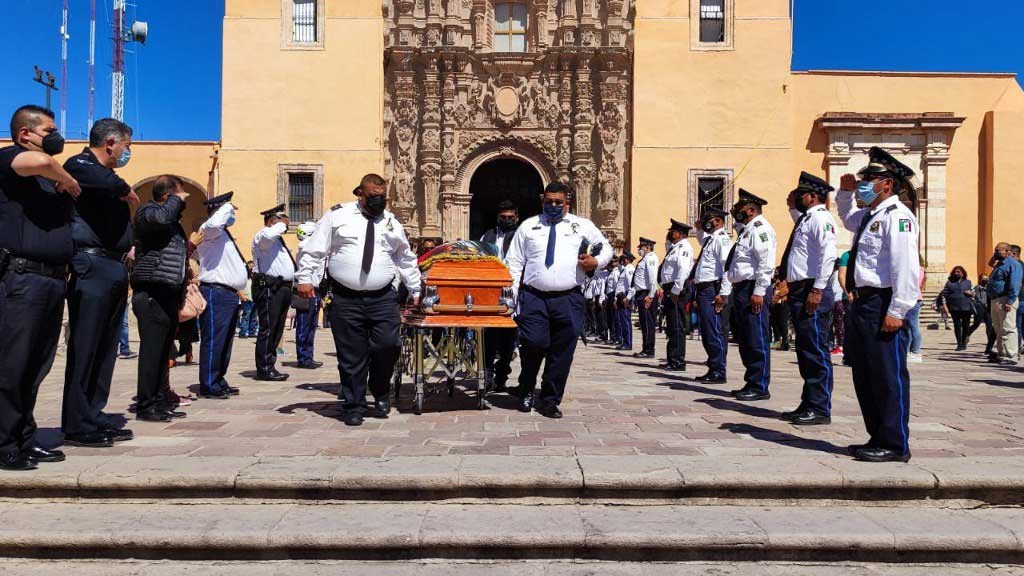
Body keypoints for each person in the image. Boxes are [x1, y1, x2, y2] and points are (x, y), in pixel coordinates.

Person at [296, 174, 421, 427]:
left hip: (383, 297)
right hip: (346, 297)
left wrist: (415, 288)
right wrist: (304, 278)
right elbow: (315, 248)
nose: (379, 201)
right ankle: (354, 404)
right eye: (374, 196)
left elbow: (404, 257)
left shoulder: (391, 222)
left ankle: (380, 388)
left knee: (388, 345)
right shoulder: (337, 216)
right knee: (352, 354)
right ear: (360, 194)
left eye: (382, 197)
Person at [0, 105, 81, 470]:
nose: (55, 135)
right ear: (25, 135)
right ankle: (4, 444)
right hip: (21, 278)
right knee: (12, 365)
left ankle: (24, 437)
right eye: (48, 129)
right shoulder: (11, 159)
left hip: (51, 279)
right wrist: (65, 177)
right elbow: (45, 164)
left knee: (36, 365)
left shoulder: (49, 177)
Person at [838, 146, 920, 463]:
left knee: (888, 374)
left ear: (887, 183)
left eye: (870, 178)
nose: (864, 183)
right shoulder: (871, 215)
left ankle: (896, 443)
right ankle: (877, 436)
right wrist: (845, 193)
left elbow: (905, 267)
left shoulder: (899, 218)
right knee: (866, 373)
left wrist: (898, 310)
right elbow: (847, 218)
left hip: (884, 302)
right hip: (864, 302)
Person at [60, 118, 139, 447]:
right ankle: (77, 422)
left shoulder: (104, 176)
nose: (127, 152)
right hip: (92, 264)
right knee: (87, 344)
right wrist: (126, 191)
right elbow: (102, 180)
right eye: (126, 146)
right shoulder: (80, 164)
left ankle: (93, 412)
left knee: (106, 348)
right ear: (110, 142)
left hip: (114, 265)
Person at [504, 182, 611, 418]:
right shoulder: (528, 226)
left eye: (558, 202)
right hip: (534, 296)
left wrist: (596, 262)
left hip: (568, 297)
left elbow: (606, 249)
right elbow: (514, 263)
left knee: (562, 351)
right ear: (542, 202)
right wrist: (511, 296)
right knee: (534, 343)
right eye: (549, 201)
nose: (553, 206)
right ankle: (526, 388)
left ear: (567, 203)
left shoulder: (582, 226)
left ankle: (550, 399)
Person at [130, 175, 191, 422]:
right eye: (180, 195)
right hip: (151, 292)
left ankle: (159, 400)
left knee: (163, 352)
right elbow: (161, 218)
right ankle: (146, 405)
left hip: (167, 292)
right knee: (152, 352)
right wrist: (176, 200)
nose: (184, 200)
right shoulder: (148, 211)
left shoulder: (170, 221)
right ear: (167, 196)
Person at [778, 171, 837, 425]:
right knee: (805, 349)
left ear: (812, 196)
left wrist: (818, 289)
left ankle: (820, 407)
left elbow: (828, 255)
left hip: (812, 289)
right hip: (801, 289)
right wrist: (792, 206)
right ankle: (809, 401)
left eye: (801, 195)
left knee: (815, 349)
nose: (797, 198)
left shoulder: (821, 218)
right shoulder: (806, 218)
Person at [719, 189, 777, 402]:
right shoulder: (747, 230)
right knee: (745, 337)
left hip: (753, 288)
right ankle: (751, 380)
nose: (735, 212)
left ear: (751, 210)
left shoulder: (760, 229)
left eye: (739, 209)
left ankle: (760, 384)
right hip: (742, 288)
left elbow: (766, 262)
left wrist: (759, 292)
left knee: (756, 337)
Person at [195, 192, 246, 399]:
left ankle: (218, 378)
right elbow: (212, 224)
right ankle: (208, 383)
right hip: (215, 291)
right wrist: (226, 206)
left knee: (225, 341)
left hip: (228, 293)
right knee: (215, 339)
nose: (232, 215)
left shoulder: (222, 233)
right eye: (230, 212)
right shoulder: (210, 230)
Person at [251, 204, 296, 381]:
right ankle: (263, 367)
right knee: (268, 328)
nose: (286, 224)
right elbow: (269, 234)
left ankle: (270, 363)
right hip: (269, 287)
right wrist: (280, 224)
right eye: (282, 220)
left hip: (282, 288)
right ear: (272, 221)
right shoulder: (263, 236)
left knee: (277, 329)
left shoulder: (277, 241)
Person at [479, 201, 519, 391]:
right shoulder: (487, 236)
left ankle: (502, 371)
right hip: (490, 291)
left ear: (516, 218)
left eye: (510, 218)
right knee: (489, 336)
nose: (506, 220)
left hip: (512, 291)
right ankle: (487, 374)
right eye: (503, 218)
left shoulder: (521, 236)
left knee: (508, 339)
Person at [692, 207, 732, 384]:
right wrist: (699, 227)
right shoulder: (711, 239)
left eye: (708, 220)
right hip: (704, 289)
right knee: (707, 331)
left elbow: (726, 267)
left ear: (717, 221)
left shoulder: (722, 239)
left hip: (712, 289)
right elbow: (701, 239)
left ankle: (718, 370)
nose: (706, 222)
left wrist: (723, 293)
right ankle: (713, 366)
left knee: (714, 331)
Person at [657, 219, 694, 371]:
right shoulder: (674, 247)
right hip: (670, 289)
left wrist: (676, 290)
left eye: (673, 231)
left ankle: (678, 361)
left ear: (680, 234)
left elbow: (683, 270)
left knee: (677, 326)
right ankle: (672, 358)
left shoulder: (684, 248)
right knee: (672, 325)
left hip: (676, 290)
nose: (670, 233)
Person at [293, 221, 323, 369]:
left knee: (311, 326)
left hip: (315, 289)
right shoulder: (305, 248)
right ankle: (303, 357)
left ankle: (308, 356)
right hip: (307, 290)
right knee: (304, 325)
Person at [986, 242, 1021, 364]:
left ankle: (1011, 355)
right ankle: (1001, 353)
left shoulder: (1013, 264)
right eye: (995, 250)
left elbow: (1015, 283)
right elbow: (989, 263)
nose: (995, 253)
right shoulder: (999, 264)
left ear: (1007, 252)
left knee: (1008, 328)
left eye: (998, 251)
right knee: (998, 328)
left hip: (1005, 299)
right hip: (995, 299)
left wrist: (1010, 301)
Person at [629, 237, 659, 358]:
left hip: (647, 293)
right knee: (644, 323)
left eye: (641, 248)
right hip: (641, 293)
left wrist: (651, 295)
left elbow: (653, 279)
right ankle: (645, 347)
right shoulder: (644, 259)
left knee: (648, 323)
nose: (639, 250)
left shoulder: (651, 258)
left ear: (647, 248)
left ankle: (649, 349)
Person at [939, 265, 974, 351]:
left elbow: (974, 293)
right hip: (954, 308)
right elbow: (944, 295)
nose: (956, 273)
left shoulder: (968, 282)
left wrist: (971, 293)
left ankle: (964, 341)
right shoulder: (949, 283)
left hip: (966, 307)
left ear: (963, 273)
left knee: (966, 326)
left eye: (958, 272)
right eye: (955, 272)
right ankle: (959, 344)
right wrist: (945, 306)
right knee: (957, 326)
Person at [969, 273, 996, 355]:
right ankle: (967, 334)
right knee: (976, 325)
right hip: (980, 309)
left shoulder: (989, 288)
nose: (985, 280)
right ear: (980, 280)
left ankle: (989, 343)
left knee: (989, 327)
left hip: (988, 309)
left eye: (986, 279)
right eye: (983, 279)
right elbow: (973, 297)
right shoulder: (976, 288)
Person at [615, 252, 636, 351]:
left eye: (623, 259)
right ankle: (625, 341)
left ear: (627, 259)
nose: (622, 261)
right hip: (621, 297)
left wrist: (628, 298)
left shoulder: (630, 269)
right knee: (622, 321)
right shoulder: (625, 269)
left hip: (625, 297)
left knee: (626, 321)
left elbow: (631, 285)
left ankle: (628, 343)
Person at [237, 261, 257, 338]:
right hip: (247, 298)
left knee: (254, 317)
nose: (251, 268)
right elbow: (239, 286)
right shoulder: (244, 276)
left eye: (252, 266)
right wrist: (242, 296)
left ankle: (252, 331)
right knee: (246, 316)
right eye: (250, 266)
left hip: (254, 298)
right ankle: (243, 332)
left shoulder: (254, 277)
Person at [604, 260, 621, 346]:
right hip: (609, 295)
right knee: (610, 317)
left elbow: (616, 285)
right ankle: (612, 336)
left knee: (613, 318)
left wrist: (615, 298)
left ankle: (615, 337)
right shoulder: (611, 273)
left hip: (613, 294)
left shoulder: (616, 273)